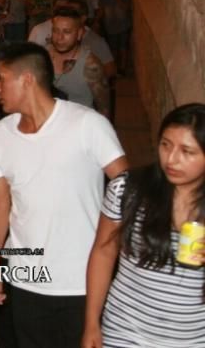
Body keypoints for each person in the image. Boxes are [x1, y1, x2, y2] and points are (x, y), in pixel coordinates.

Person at [0, 43, 128, 348]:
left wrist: (112, 247)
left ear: (27, 80)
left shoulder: (87, 125)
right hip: (25, 279)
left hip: (81, 279)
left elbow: (125, 185)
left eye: (1, 79)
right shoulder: (0, 134)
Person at [82, 103, 205, 348]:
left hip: (192, 339)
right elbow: (104, 251)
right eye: (165, 145)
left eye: (187, 151)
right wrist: (91, 323)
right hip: (125, 332)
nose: (171, 159)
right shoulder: (128, 190)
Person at [28, 0, 116, 79]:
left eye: (73, 13)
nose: (60, 37)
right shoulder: (48, 47)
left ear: (83, 18)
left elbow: (110, 71)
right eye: (55, 31)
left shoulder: (96, 42)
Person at [45, 7, 110, 116]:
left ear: (79, 34)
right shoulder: (42, 56)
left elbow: (104, 109)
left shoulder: (91, 65)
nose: (59, 37)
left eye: (67, 32)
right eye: (56, 30)